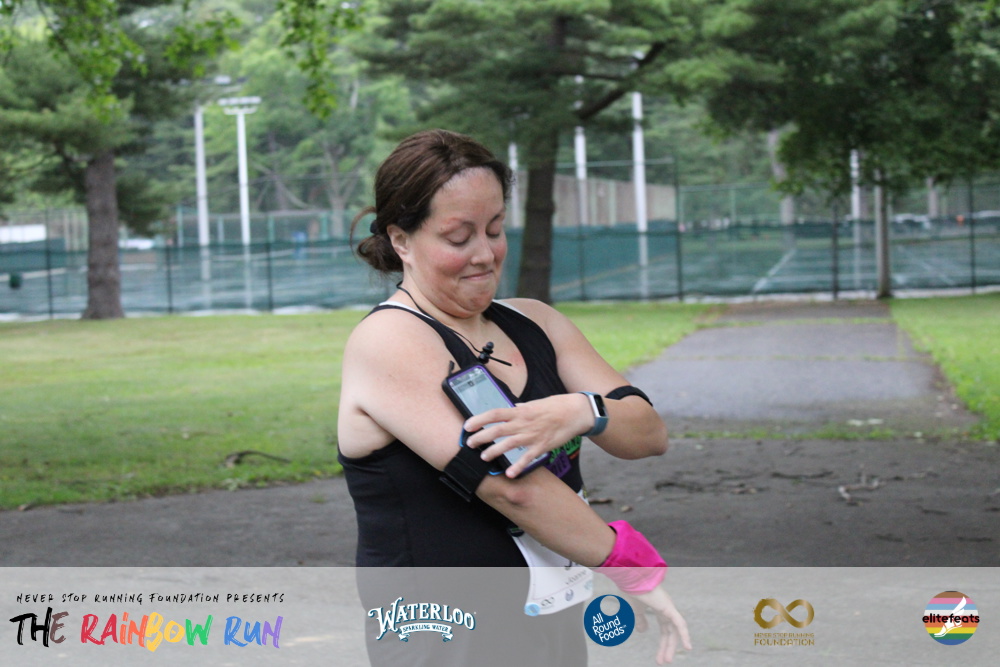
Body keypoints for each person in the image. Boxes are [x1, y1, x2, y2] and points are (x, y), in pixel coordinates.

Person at [338, 129, 691, 665]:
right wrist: (631, 567)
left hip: (548, 617)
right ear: (402, 240)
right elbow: (512, 488)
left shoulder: (535, 322)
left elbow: (648, 433)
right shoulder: (390, 340)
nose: (485, 254)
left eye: (495, 229)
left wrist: (585, 410)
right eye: (458, 237)